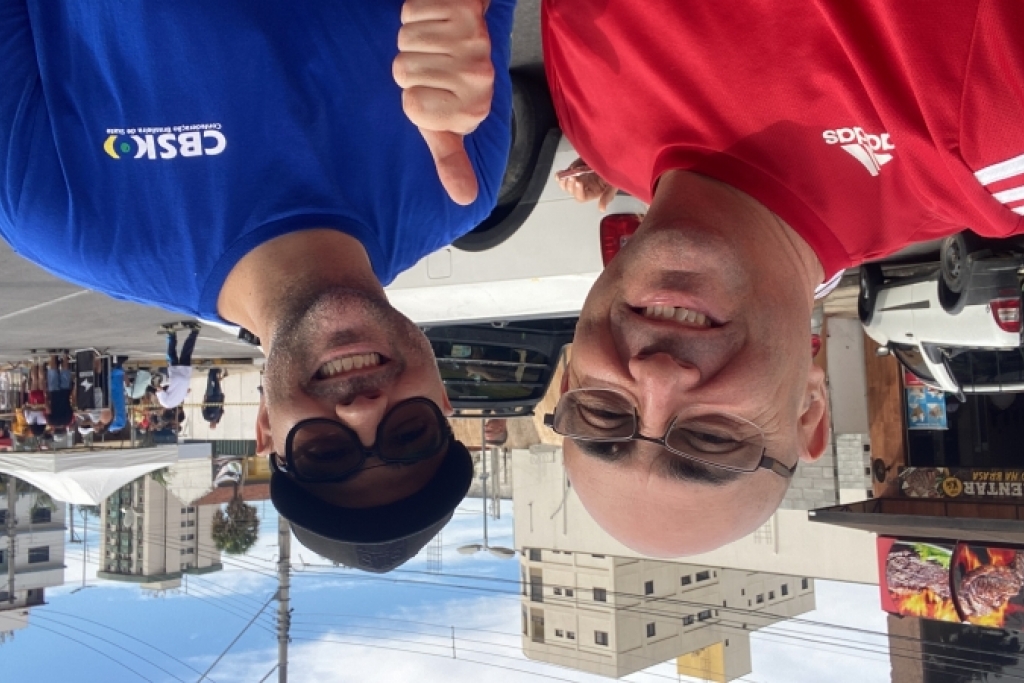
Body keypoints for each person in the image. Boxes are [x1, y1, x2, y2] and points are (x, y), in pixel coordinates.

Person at [0, 0, 504, 571]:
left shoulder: (65, 220)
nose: (362, 412)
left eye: (323, 452)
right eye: (410, 434)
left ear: (265, 428)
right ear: (443, 401)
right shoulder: (456, 178)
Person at [542, 0, 1024, 557]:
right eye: (712, 437)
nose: (656, 378)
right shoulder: (992, 138)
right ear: (809, 410)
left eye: (603, 414)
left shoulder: (593, 121)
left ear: (570, 382)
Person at [156, 323, 200, 410]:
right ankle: (171, 333)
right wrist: (156, 387)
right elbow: (159, 389)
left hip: (185, 376)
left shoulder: (178, 401)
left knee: (187, 351)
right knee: (171, 353)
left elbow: (188, 391)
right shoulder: (165, 404)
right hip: (175, 375)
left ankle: (195, 331)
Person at [44, 352, 74, 431]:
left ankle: (65, 356)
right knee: (52, 374)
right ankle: (53, 355)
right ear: (54, 430)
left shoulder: (68, 420)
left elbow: (71, 408)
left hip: (65, 393)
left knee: (65, 374)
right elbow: (48, 408)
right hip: (54, 395)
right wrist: (46, 398)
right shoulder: (51, 421)